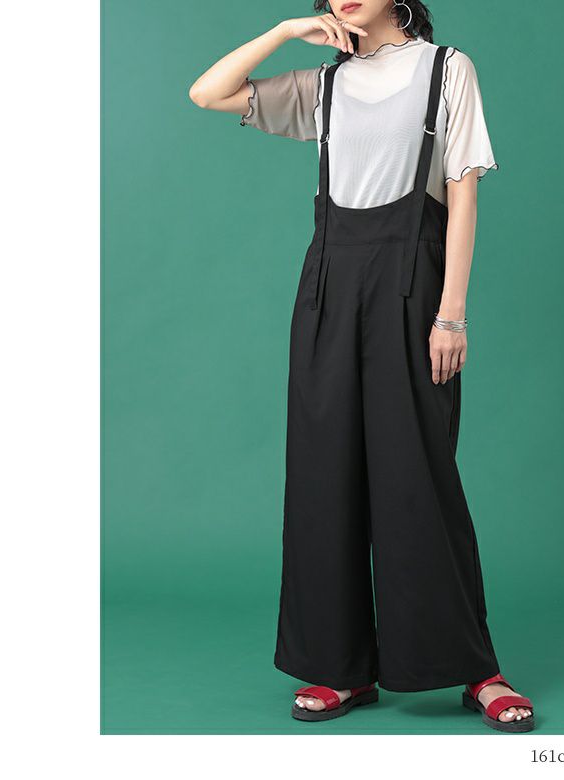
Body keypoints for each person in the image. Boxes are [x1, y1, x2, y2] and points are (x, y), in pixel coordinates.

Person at [189, 0, 535, 733]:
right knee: (326, 475)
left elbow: (464, 193)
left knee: (418, 476)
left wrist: (451, 313)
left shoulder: (446, 70)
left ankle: (476, 668)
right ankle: (340, 666)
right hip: (328, 285)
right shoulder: (324, 84)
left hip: (414, 283)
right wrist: (285, 32)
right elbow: (208, 93)